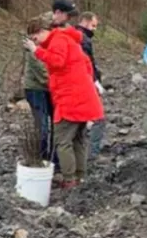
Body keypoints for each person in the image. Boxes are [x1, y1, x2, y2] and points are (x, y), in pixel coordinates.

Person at [24, 17, 103, 190]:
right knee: (79, 139)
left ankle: (69, 179)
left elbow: (57, 61)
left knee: (62, 141)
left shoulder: (57, 41)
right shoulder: (69, 40)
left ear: (41, 32)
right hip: (85, 98)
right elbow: (87, 64)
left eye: (35, 38)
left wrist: (36, 51)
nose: (35, 42)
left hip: (70, 100)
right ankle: (80, 176)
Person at [22, 22, 58, 172]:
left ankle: (54, 158)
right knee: (42, 125)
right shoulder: (32, 48)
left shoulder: (50, 44)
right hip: (36, 89)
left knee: (56, 123)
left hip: (49, 89)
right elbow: (42, 73)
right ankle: (41, 158)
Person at [76, 12, 106, 159]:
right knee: (98, 118)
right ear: (85, 22)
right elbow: (87, 64)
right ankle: (92, 154)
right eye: (93, 25)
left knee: (79, 120)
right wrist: (95, 81)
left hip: (78, 84)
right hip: (85, 84)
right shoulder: (83, 40)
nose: (94, 29)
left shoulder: (74, 36)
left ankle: (80, 153)